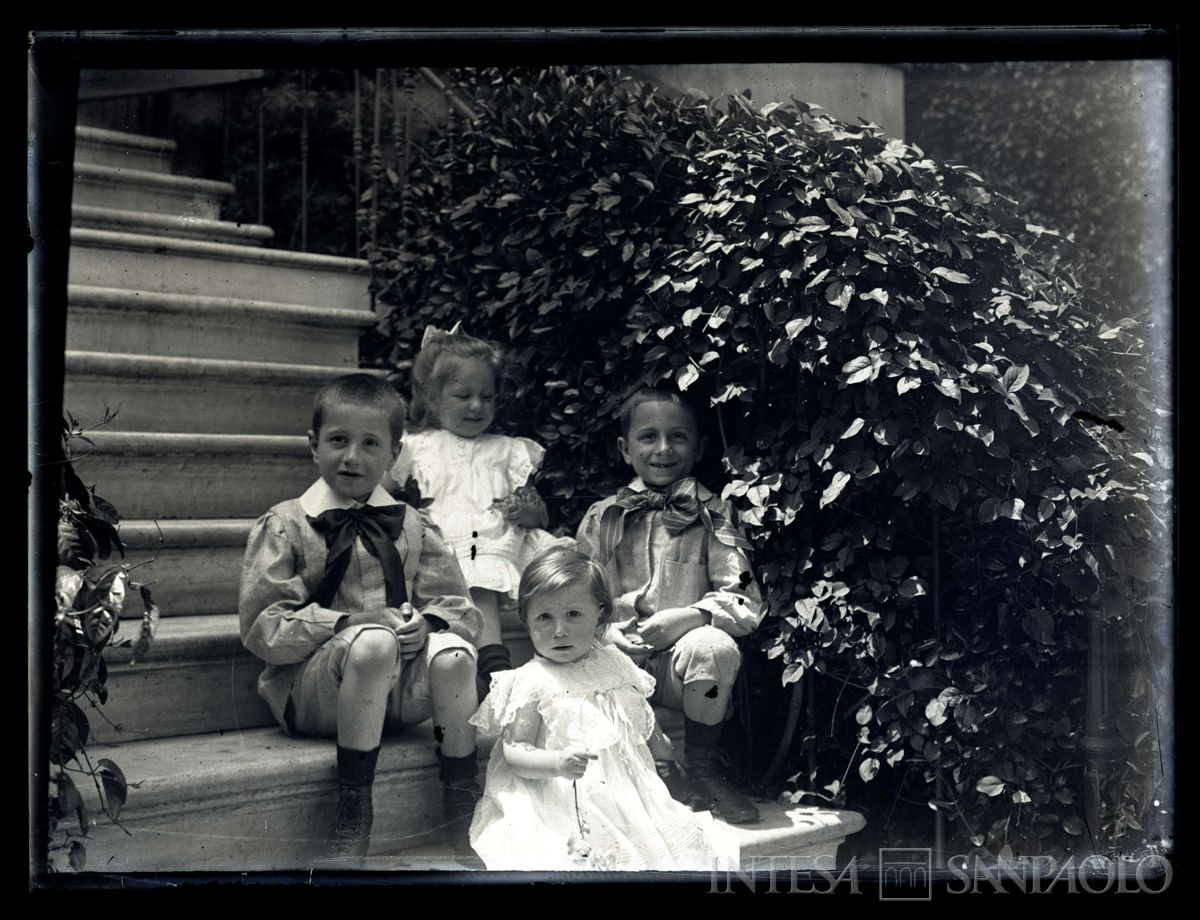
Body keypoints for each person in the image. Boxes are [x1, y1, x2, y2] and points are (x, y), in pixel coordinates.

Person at [239, 373, 483, 862]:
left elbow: (460, 607)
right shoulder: (285, 524)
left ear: (394, 454)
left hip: (396, 699)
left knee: (456, 654)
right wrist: (345, 623)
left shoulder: (412, 524)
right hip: (317, 697)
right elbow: (264, 628)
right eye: (338, 441)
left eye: (370, 444)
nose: (352, 456)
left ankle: (461, 807)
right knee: (373, 641)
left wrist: (427, 624)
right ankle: (354, 813)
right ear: (314, 446)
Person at [468, 547, 736, 870]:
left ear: (600, 615)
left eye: (573, 614)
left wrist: (659, 744)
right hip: (562, 792)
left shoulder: (614, 663)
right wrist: (556, 762)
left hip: (623, 787)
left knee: (662, 841)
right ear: (525, 620)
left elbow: (635, 710)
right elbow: (515, 753)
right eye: (544, 617)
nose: (559, 630)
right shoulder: (531, 681)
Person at [575, 387, 765, 825]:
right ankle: (662, 772)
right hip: (617, 663)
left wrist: (692, 617)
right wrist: (605, 631)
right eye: (648, 437)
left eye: (678, 436)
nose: (663, 448)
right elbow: (576, 594)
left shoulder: (713, 514)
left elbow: (745, 597)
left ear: (698, 448)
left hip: (681, 672)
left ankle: (702, 768)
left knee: (713, 647)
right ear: (625, 448)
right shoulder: (603, 516)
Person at [384, 324, 571, 700]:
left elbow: (538, 515)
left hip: (500, 542)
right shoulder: (416, 447)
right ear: (433, 396)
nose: (476, 406)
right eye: (463, 395)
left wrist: (525, 512)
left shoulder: (506, 449)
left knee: (557, 571)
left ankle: (562, 653)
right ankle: (494, 666)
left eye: (487, 397)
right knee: (476, 570)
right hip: (445, 543)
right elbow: (383, 496)